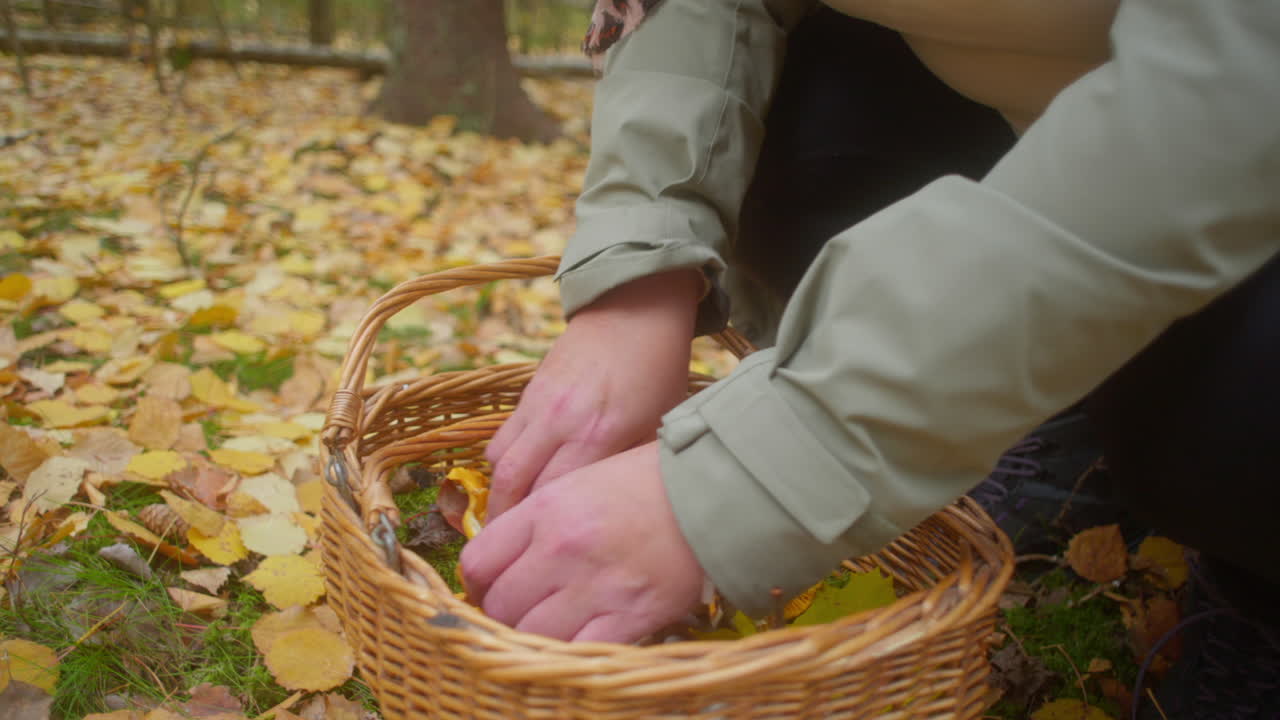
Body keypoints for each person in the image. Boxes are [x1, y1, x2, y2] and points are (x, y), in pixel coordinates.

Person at [460, 0, 1280, 716]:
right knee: (807, 109)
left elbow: (1235, 98)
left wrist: (760, 470)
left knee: (1242, 397)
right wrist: (639, 275)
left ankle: (1258, 594)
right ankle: (1067, 412)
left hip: (1232, 148)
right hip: (1019, 101)